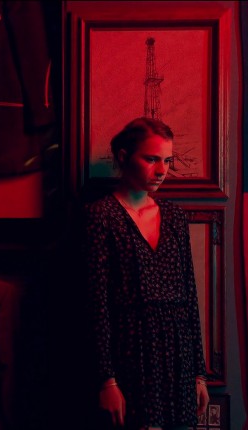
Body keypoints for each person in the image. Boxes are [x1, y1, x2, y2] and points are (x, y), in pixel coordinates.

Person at [81, 116, 209, 430]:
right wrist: (107, 380)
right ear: (124, 157)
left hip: (178, 354)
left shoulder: (174, 216)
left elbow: (190, 297)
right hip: (131, 352)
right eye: (151, 159)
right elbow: (96, 304)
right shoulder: (100, 216)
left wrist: (198, 374)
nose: (162, 170)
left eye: (167, 160)